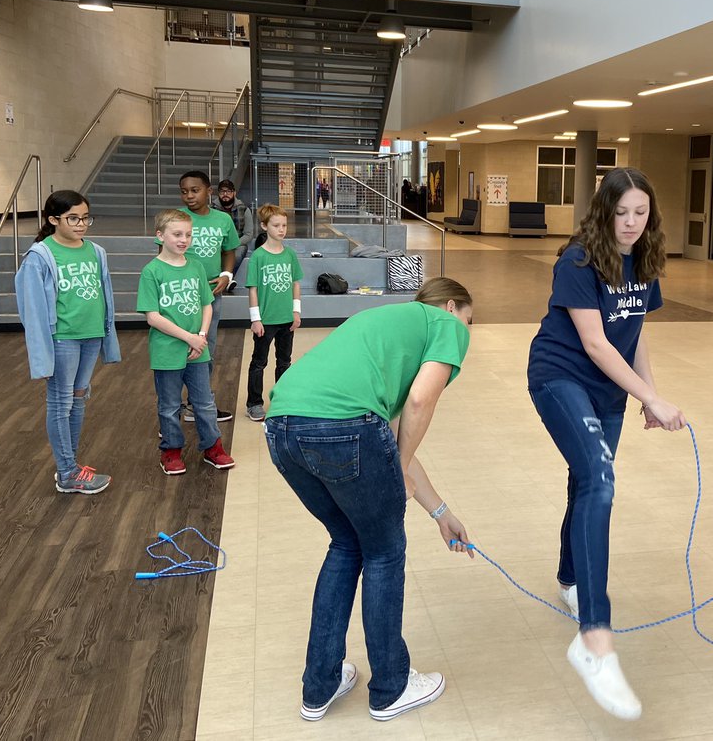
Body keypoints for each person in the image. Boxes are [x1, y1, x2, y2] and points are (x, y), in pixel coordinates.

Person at [263, 277, 475, 723]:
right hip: (344, 426)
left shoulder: (389, 328)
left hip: (282, 427)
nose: (465, 334)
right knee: (384, 551)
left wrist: (441, 513)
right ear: (451, 306)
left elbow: (392, 441)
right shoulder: (446, 324)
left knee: (347, 543)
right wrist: (397, 467)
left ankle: (319, 686)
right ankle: (391, 688)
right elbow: (419, 403)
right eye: (468, 321)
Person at [526, 167, 686, 721]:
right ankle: (594, 637)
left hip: (610, 390)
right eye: (622, 213)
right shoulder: (576, 260)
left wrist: (649, 396)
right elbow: (595, 343)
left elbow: (633, 332)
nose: (632, 224)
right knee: (600, 478)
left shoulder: (643, 260)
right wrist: (651, 397)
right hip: (560, 376)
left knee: (586, 481)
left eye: (641, 213)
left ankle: (570, 576)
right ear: (604, 212)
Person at [15, 190, 118, 494]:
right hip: (62, 339)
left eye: (86, 217)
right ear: (53, 219)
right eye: (73, 218)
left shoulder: (96, 251)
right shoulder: (40, 256)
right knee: (61, 402)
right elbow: (32, 309)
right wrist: (41, 354)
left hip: (91, 335)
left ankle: (70, 466)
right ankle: (67, 470)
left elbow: (105, 295)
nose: (81, 224)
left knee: (79, 398)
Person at [138, 209, 236, 475]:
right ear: (160, 235)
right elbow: (153, 317)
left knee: (204, 402)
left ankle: (213, 447)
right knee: (169, 405)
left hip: (198, 349)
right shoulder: (152, 271)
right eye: (177, 234)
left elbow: (207, 304)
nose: (184, 240)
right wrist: (189, 337)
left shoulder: (195, 267)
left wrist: (201, 337)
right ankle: (171, 451)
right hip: (168, 351)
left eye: (188, 235)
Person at [178, 170, 238, 422]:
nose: (189, 196)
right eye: (184, 191)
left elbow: (229, 250)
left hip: (211, 295)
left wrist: (226, 274)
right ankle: (172, 409)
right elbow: (163, 256)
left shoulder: (223, 220)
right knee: (177, 349)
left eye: (195, 190)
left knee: (206, 348)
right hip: (181, 295)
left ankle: (197, 403)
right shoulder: (177, 219)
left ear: (208, 191)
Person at [244, 204, 303, 421]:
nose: (281, 229)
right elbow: (253, 289)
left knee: (284, 361)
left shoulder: (290, 255)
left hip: (286, 319)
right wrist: (255, 319)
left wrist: (296, 312)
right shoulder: (258, 257)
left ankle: (282, 399)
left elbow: (296, 284)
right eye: (276, 225)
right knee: (259, 362)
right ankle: (254, 403)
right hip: (265, 321)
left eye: (284, 225)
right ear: (264, 226)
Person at [215, 179, 254, 292]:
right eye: (222, 192)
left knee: (237, 254)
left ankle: (225, 280)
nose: (225, 195)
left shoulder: (244, 209)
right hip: (216, 243)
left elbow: (248, 234)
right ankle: (226, 282)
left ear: (234, 193)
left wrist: (232, 244)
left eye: (228, 191)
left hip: (238, 243)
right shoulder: (211, 209)